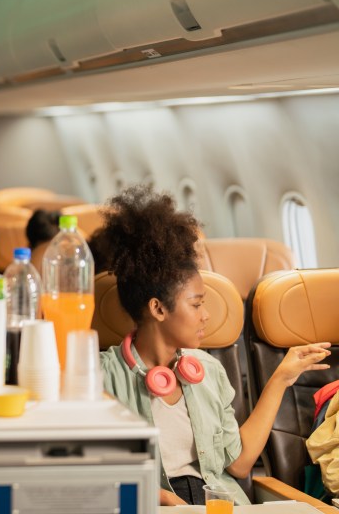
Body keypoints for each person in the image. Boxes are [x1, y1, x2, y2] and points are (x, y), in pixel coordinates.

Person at [98, 184, 329, 506]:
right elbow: (92, 467)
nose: (207, 316)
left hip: (218, 502)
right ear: (158, 309)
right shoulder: (101, 378)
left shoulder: (206, 369)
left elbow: (239, 464)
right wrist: (161, 497)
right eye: (196, 305)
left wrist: (281, 379)